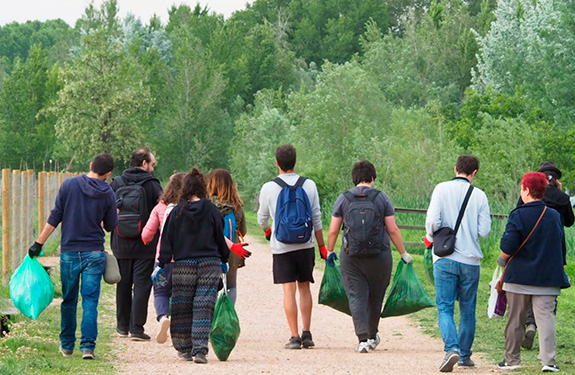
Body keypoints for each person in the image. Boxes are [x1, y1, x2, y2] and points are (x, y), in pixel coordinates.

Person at [28, 153, 117, 360]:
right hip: (95, 253)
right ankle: (88, 348)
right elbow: (111, 226)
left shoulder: (69, 186)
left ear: (90, 164)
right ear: (108, 174)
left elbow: (55, 216)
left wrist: (38, 243)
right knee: (90, 301)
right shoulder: (108, 194)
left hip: (69, 252)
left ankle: (67, 346)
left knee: (69, 300)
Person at [326, 160, 412, 353]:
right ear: (372, 178)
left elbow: (333, 230)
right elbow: (393, 229)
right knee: (376, 296)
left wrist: (330, 251)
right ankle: (373, 335)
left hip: (351, 257)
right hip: (380, 256)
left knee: (356, 296)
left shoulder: (344, 198)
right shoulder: (382, 198)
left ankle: (362, 339)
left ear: (354, 178)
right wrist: (403, 253)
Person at [155, 167, 230, 364]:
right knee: (204, 305)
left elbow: (167, 241)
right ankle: (200, 351)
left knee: (182, 306)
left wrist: (161, 263)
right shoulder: (212, 210)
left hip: (183, 265)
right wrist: (224, 259)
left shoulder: (177, 212)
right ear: (201, 188)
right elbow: (219, 238)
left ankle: (184, 348)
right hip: (209, 263)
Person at [497, 172, 570, 373]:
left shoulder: (518, 214)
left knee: (515, 319)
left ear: (527, 190)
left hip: (519, 277)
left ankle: (512, 360)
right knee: (546, 319)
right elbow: (560, 247)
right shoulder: (554, 216)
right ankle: (549, 361)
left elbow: (508, 246)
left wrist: (501, 260)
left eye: (522, 188)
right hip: (547, 278)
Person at [424, 155, 491, 372]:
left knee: (445, 307)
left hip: (445, 258)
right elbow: (484, 231)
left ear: (455, 169)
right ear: (474, 173)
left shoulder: (441, 189)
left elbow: (432, 221)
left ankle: (451, 348)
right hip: (471, 261)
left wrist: (432, 236)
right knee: (468, 310)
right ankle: (464, 356)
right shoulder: (480, 196)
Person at [257, 144, 327, 350]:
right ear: (295, 162)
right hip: (305, 244)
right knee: (304, 287)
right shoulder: (309, 185)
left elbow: (262, 218)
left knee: (289, 290)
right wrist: (322, 246)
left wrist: (268, 231)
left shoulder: (268, 187)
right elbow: (316, 218)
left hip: (282, 246)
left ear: (277, 163)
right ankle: (307, 333)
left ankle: (294, 336)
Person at [516, 162, 574, 349]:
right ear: (556, 179)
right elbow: (569, 222)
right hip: (554, 249)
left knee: (529, 287)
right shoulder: (563, 197)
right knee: (549, 288)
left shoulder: (529, 193)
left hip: (529, 246)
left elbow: (517, 212)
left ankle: (530, 322)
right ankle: (543, 326)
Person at [110, 148, 162, 341]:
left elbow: (108, 209)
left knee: (122, 284)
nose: (153, 168)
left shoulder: (116, 182)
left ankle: (122, 326)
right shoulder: (152, 185)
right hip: (145, 243)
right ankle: (137, 329)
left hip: (120, 241)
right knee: (141, 284)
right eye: (152, 164)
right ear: (144, 164)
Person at [141, 172, 186, 344]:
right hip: (185, 260)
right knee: (182, 294)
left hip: (163, 260)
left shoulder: (161, 207)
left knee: (160, 292)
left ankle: (163, 317)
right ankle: (181, 331)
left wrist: (147, 241)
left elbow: (146, 234)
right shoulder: (189, 206)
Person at [208, 169, 248, 305]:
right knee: (231, 286)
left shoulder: (207, 204)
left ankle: (210, 316)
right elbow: (244, 230)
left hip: (210, 250)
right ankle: (226, 315)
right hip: (232, 250)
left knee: (210, 287)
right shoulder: (237, 205)